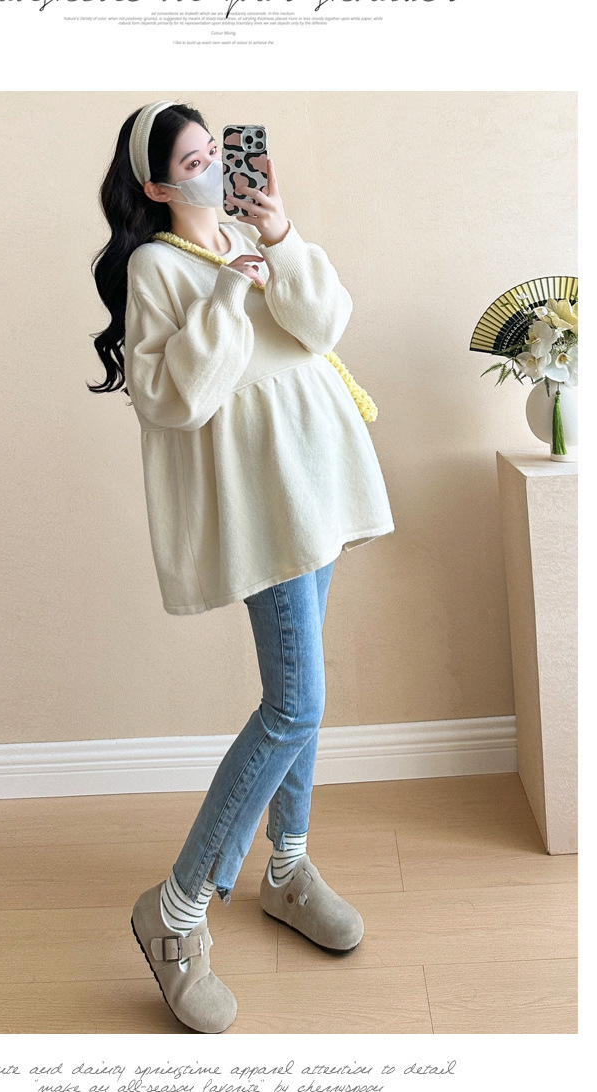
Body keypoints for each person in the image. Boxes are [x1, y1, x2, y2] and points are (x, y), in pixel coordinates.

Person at [89, 100, 395, 1034]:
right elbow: (175, 398)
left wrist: (283, 235)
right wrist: (226, 292)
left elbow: (323, 326)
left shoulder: (251, 231)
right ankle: (177, 911)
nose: (216, 170)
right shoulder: (155, 267)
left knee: (305, 695)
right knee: (295, 702)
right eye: (194, 162)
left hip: (319, 479)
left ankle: (287, 868)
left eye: (217, 152)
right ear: (155, 185)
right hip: (265, 502)